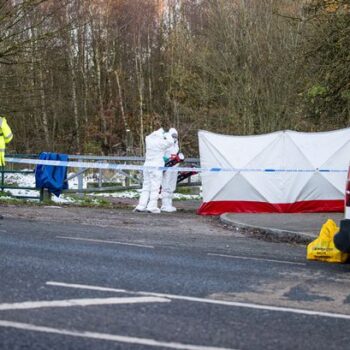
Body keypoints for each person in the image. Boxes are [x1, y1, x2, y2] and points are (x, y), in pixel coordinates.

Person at [134, 128, 174, 213]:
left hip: (147, 165)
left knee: (146, 187)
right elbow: (171, 142)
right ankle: (152, 206)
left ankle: (141, 205)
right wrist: (167, 134)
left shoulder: (148, 139)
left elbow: (149, 136)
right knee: (155, 187)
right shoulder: (160, 142)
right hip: (156, 166)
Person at [161, 128, 180, 212]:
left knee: (172, 185)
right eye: (173, 136)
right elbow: (162, 154)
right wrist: (165, 161)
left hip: (174, 167)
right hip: (167, 166)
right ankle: (165, 205)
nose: (175, 138)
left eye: (176, 136)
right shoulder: (166, 143)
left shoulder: (176, 144)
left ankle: (170, 204)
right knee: (166, 185)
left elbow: (176, 154)